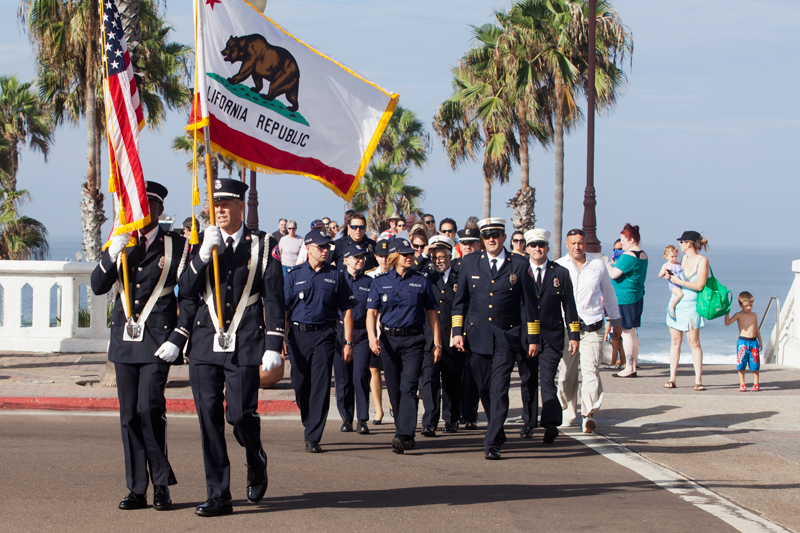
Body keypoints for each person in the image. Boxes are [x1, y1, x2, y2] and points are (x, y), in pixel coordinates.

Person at [179, 178, 285, 516]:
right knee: (209, 419)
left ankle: (255, 457)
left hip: (246, 341)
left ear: (242, 206)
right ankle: (219, 494)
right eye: (215, 205)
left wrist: (274, 342)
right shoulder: (202, 242)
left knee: (239, 415)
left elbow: (274, 296)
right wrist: (201, 255)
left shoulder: (263, 244)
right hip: (205, 342)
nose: (220, 210)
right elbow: (185, 289)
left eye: (226, 204)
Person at [91, 181, 190, 511]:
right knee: (129, 415)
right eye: (138, 205)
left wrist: (180, 336)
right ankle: (137, 488)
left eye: (149, 206)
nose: (143, 212)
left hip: (157, 340)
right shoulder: (120, 240)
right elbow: (97, 285)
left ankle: (161, 484)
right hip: (123, 340)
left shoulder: (176, 244)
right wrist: (110, 255)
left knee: (150, 409)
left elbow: (189, 294)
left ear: (160, 210)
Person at [451, 218, 540, 460]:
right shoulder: (470, 263)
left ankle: (491, 442)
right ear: (483, 238)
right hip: (477, 335)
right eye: (487, 235)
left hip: (507, 336)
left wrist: (532, 338)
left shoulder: (519, 265)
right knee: (484, 387)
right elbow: (460, 303)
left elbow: (530, 306)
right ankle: (497, 429)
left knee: (499, 389)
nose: (491, 239)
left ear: (503, 237)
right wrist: (457, 332)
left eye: (496, 235)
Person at [366, 238, 441, 454]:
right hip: (388, 341)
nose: (410, 256)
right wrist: (372, 337)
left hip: (414, 341)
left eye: (412, 253)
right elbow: (371, 313)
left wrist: (437, 343)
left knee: (409, 387)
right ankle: (404, 431)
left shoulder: (421, 280)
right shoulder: (379, 281)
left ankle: (403, 434)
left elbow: (432, 314)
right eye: (405, 254)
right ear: (394, 257)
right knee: (395, 389)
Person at [284, 230, 355, 452]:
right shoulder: (294, 275)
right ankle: (309, 419)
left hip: (325, 335)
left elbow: (347, 311)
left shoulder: (336, 275)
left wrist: (348, 342)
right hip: (298, 336)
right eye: (321, 247)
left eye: (327, 247)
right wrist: (280, 339)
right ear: (308, 248)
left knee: (321, 385)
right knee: (300, 383)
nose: (325, 250)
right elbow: (283, 309)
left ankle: (313, 435)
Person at [556, 228, 621, 433]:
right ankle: (567, 412)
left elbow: (609, 294)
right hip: (567, 329)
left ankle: (588, 415)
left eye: (580, 242)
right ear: (567, 244)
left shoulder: (598, 265)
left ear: (585, 244)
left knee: (591, 370)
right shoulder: (559, 265)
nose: (577, 246)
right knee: (567, 374)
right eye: (573, 243)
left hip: (592, 326)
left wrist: (616, 321)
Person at [521, 228, 579, 441]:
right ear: (527, 249)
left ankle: (551, 423)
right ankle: (528, 423)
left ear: (547, 248)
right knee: (528, 381)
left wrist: (574, 335)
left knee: (547, 379)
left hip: (552, 336)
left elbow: (570, 306)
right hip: (526, 338)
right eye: (533, 245)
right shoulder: (520, 271)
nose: (537, 249)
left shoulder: (560, 273)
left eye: (541, 245)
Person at [419, 236, 463, 436]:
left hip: (451, 337)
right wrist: (423, 255)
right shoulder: (425, 277)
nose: (438, 261)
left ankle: (452, 419)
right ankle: (429, 421)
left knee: (451, 380)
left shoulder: (459, 276)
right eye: (435, 257)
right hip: (429, 338)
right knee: (429, 380)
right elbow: (412, 271)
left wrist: (459, 333)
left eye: (442, 256)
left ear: (449, 256)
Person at [332, 242, 374, 434]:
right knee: (343, 378)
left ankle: (363, 419)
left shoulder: (369, 282)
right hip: (340, 333)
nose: (360, 260)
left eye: (363, 257)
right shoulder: (337, 279)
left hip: (362, 333)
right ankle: (346, 418)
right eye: (356, 257)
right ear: (345, 260)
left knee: (360, 376)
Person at [665, 231, 711, 390]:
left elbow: (699, 285)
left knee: (694, 342)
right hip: (677, 304)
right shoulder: (683, 259)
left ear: (689, 243)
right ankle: (672, 378)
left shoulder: (702, 261)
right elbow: (678, 280)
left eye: (682, 241)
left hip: (692, 306)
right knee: (675, 341)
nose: (680, 244)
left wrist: (680, 282)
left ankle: (698, 380)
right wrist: (671, 278)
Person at [609, 223, 648, 378]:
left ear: (631, 239)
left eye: (623, 240)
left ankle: (629, 367)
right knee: (632, 332)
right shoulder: (643, 254)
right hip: (637, 296)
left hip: (625, 298)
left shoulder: (627, 256)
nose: (621, 244)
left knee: (626, 333)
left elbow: (614, 274)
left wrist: (607, 263)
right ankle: (633, 364)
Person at [453, 227, 480, 429]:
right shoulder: (452, 267)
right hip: (456, 328)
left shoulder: (484, 265)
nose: (468, 246)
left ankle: (470, 415)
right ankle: (453, 415)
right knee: (455, 374)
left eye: (472, 242)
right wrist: (456, 330)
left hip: (477, 327)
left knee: (473, 374)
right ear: (459, 245)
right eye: (465, 243)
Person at [367, 238, 391, 425]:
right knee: (374, 369)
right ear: (376, 257)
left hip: (391, 329)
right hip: (374, 329)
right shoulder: (369, 276)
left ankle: (393, 403)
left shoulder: (398, 274)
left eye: (387, 256)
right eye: (381, 256)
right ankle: (378, 410)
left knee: (393, 369)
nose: (384, 260)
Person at [725, 292, 763, 392]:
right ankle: (742, 384)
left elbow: (757, 329)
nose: (749, 308)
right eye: (746, 306)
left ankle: (756, 384)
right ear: (740, 305)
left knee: (755, 365)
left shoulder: (754, 315)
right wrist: (727, 312)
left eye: (751, 305)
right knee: (741, 364)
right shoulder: (738, 315)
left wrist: (760, 341)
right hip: (743, 342)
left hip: (753, 342)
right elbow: (727, 323)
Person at [659, 245, 684, 319]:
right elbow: (659, 275)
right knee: (680, 294)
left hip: (680, 283)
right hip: (673, 285)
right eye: (672, 256)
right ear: (666, 256)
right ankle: (671, 307)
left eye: (676, 256)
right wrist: (663, 273)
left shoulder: (678, 264)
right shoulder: (666, 265)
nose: (674, 258)